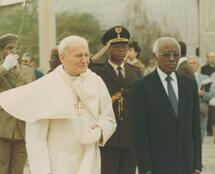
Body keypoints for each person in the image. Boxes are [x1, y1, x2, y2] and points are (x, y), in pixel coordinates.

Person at [0, 35, 117, 174]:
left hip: (89, 159)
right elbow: (36, 139)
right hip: (58, 164)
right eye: (78, 55)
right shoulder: (47, 85)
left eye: (86, 55)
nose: (85, 60)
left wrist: (99, 131)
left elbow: (109, 118)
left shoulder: (96, 81)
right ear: (62, 57)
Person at [130, 37, 202, 174]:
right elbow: (139, 132)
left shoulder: (189, 85)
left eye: (176, 55)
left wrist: (197, 164)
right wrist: (145, 167)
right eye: (167, 54)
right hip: (157, 165)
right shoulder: (141, 87)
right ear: (155, 56)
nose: (171, 59)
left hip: (186, 164)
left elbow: (195, 127)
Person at [90, 26, 141, 174]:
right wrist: (98, 55)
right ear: (108, 49)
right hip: (108, 137)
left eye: (124, 47)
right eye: (116, 47)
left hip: (130, 136)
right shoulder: (98, 71)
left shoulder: (135, 71)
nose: (121, 50)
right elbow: (82, 70)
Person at [0, 33, 35, 174]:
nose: (13, 52)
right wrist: (4, 67)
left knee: (17, 169)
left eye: (16, 48)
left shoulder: (27, 70)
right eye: (9, 48)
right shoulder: (2, 67)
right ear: (1, 50)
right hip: (2, 126)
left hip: (22, 126)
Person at [187, 55, 213, 142]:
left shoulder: (205, 78)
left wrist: (203, 94)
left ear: (198, 65)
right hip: (187, 110)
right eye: (189, 63)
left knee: (200, 136)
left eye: (193, 63)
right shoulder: (182, 78)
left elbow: (211, 95)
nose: (191, 65)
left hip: (201, 110)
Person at [201, 51, 215, 136]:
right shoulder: (204, 68)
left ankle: (214, 130)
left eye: (214, 57)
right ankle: (209, 130)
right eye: (211, 57)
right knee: (208, 111)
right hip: (207, 91)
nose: (213, 59)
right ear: (207, 58)